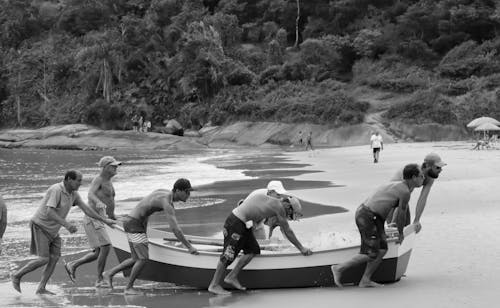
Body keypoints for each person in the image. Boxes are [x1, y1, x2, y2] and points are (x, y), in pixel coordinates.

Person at [11, 170, 116, 294]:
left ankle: (41, 288)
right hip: (40, 226)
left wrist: (104, 220)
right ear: (69, 179)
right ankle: (17, 275)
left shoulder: (74, 194)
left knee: (54, 257)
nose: (80, 184)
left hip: (53, 229)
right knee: (44, 259)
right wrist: (67, 225)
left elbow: (87, 210)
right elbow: (49, 212)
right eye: (78, 181)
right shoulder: (56, 189)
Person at [208, 180, 313, 295]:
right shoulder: (278, 206)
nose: (288, 214)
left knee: (253, 250)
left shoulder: (267, 195)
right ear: (287, 205)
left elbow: (280, 226)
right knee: (228, 254)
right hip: (235, 223)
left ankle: (231, 276)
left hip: (244, 224)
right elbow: (288, 230)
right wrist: (301, 249)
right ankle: (214, 285)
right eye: (290, 212)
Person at [331, 164, 425, 288]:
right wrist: (400, 233)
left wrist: (388, 224)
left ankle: (365, 280)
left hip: (373, 216)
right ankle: (339, 268)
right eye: (421, 176)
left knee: (382, 249)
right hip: (368, 216)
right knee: (371, 253)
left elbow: (386, 204)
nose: (423, 179)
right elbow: (401, 214)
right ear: (413, 177)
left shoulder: (399, 186)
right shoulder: (404, 191)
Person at [103, 178, 199, 295]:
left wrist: (144, 230)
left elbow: (146, 207)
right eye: (187, 192)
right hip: (134, 225)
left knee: (135, 258)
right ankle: (129, 288)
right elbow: (175, 229)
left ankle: (109, 273)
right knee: (143, 259)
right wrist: (189, 247)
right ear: (178, 190)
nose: (189, 195)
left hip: (132, 222)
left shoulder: (163, 192)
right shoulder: (167, 203)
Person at [64, 156, 121, 287]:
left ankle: (73, 265)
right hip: (93, 219)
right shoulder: (98, 179)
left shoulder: (109, 181)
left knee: (97, 253)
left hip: (104, 219)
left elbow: (109, 201)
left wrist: (114, 217)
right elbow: (90, 194)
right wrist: (98, 202)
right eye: (113, 166)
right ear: (105, 167)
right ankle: (100, 279)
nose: (116, 167)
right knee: (105, 247)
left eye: (116, 165)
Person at [386, 153, 446, 233]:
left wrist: (417, 220)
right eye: (437, 167)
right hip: (391, 197)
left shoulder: (430, 177)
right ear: (427, 166)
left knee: (407, 226)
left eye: (441, 168)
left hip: (403, 199)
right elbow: (400, 202)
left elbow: (423, 198)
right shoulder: (414, 174)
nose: (440, 170)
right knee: (394, 227)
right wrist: (393, 223)